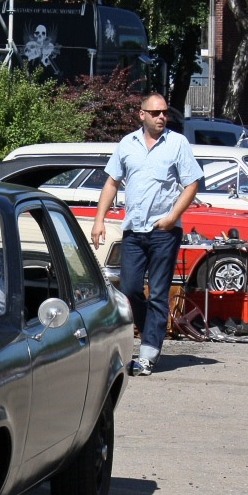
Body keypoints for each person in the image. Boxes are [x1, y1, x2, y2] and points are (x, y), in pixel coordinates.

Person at [91, 92, 202, 377]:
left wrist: (172, 218)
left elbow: (191, 185)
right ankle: (147, 335)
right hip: (133, 231)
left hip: (163, 231)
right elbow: (112, 182)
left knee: (159, 293)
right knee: (128, 288)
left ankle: (149, 352)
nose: (161, 117)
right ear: (142, 115)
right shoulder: (127, 144)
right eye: (155, 113)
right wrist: (99, 221)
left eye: (164, 112)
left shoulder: (177, 143)